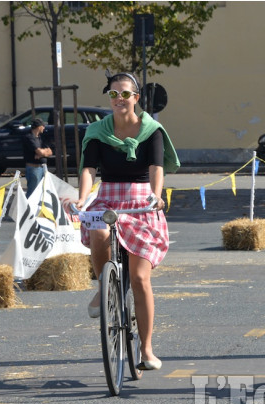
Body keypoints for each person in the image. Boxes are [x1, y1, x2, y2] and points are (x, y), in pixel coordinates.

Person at [63, 72, 180, 371]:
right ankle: (105, 287)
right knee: (99, 230)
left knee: (140, 279)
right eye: (113, 94)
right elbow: (88, 169)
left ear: (136, 98)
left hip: (141, 202)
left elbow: (156, 168)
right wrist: (82, 198)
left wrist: (156, 196)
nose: (118, 99)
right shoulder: (97, 131)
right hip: (109, 198)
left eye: (125, 94)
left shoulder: (151, 129)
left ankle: (147, 349)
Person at [22, 118, 52, 197]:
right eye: (43, 126)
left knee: (42, 191)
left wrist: (42, 154)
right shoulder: (29, 137)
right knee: (33, 192)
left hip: (43, 167)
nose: (44, 128)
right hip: (34, 168)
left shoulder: (40, 138)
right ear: (39, 127)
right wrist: (41, 152)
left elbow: (50, 151)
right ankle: (29, 208)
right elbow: (39, 152)